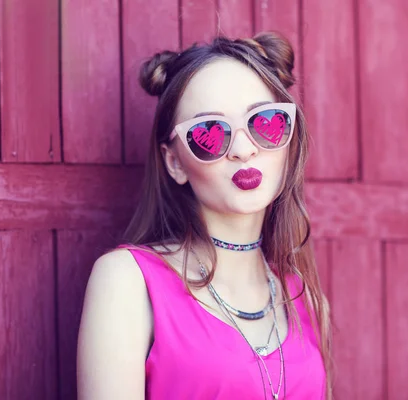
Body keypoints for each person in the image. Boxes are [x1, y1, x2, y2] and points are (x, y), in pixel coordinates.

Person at [76, 32, 332, 400]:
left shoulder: (305, 299)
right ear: (175, 162)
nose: (244, 150)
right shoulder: (128, 282)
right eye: (209, 134)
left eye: (266, 123)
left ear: (289, 138)